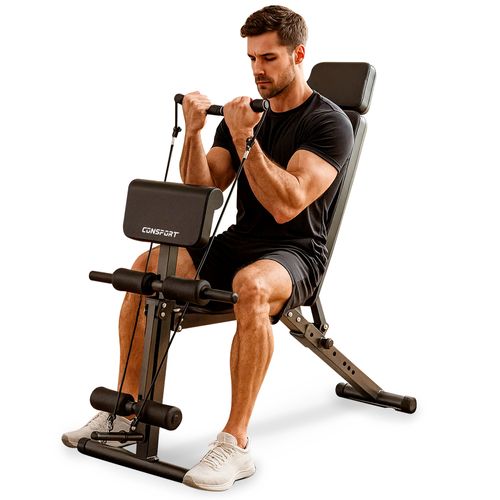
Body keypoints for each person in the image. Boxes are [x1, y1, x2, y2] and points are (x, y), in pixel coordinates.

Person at [62, 5, 354, 491]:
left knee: (251, 285)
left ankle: (234, 444)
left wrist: (246, 139)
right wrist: (195, 134)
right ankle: (125, 414)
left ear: (298, 55)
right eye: (252, 58)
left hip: (297, 252)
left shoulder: (329, 123)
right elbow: (203, 189)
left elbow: (287, 205)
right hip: (238, 242)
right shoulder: (244, 116)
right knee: (148, 265)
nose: (258, 69)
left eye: (269, 58)